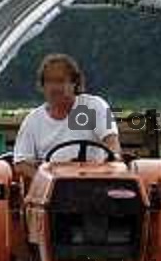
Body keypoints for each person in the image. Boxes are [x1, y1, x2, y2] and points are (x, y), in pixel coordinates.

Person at [13, 53, 126, 183]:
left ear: (74, 83)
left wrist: (111, 165)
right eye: (49, 81)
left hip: (94, 182)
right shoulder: (33, 120)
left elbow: (112, 143)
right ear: (42, 86)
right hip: (53, 190)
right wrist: (46, 181)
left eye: (60, 81)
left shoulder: (95, 106)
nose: (54, 87)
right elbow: (21, 164)